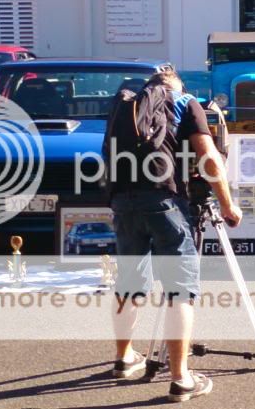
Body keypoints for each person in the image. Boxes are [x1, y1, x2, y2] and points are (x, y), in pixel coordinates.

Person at [104, 70, 242, 402]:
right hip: (165, 201)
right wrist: (227, 205)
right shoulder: (184, 102)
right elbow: (209, 159)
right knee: (180, 292)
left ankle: (124, 358)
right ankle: (181, 379)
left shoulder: (125, 106)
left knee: (129, 283)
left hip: (123, 201)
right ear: (176, 85)